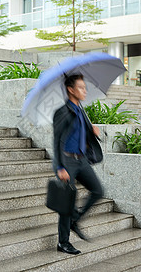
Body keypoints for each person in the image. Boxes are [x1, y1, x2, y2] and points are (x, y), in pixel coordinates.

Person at [53, 74, 103, 255]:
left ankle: (76, 219)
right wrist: (60, 167)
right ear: (70, 89)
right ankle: (63, 242)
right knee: (67, 201)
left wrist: (92, 131)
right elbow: (57, 140)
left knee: (98, 191)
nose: (85, 91)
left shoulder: (80, 110)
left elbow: (81, 133)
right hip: (67, 161)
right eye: (81, 88)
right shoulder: (62, 112)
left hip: (81, 160)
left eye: (85, 87)